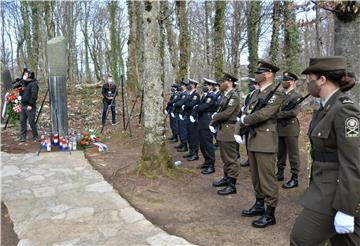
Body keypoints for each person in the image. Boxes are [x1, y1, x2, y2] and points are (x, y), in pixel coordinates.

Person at [290, 56, 360, 245]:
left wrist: (346, 209)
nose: (308, 84)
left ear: (322, 79)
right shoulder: (324, 108)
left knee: (300, 239)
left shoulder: (344, 110)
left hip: (335, 192)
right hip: (323, 186)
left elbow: (354, 163)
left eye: (310, 79)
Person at [235, 60, 282, 228]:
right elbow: (247, 109)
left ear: (269, 74)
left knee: (267, 177)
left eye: (261, 71)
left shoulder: (277, 93)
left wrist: (245, 120)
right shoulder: (255, 93)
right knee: (255, 176)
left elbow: (264, 113)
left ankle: (270, 214)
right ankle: (258, 204)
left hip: (265, 140)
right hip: (253, 139)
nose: (257, 74)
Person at [210, 72, 240, 195]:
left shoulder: (234, 96)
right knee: (224, 156)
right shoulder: (225, 95)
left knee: (231, 158)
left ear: (229, 82)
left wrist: (215, 116)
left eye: (223, 81)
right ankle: (226, 178)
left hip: (229, 129)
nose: (221, 84)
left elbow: (227, 113)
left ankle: (232, 185)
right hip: (223, 129)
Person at [275, 72, 301, 189]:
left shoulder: (296, 96)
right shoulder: (281, 95)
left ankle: (294, 178)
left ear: (291, 81)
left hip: (290, 128)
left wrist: (279, 114)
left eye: (285, 80)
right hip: (279, 127)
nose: (283, 82)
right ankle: (280, 173)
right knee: (280, 152)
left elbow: (294, 112)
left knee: (293, 154)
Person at [192, 78, 217, 174]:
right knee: (202, 144)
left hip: (207, 121)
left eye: (207, 85)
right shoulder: (205, 95)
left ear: (211, 86)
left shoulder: (211, 96)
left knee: (208, 144)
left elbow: (203, 107)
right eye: (205, 85)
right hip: (202, 121)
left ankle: (211, 165)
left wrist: (196, 108)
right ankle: (206, 162)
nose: (205, 87)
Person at [239, 77, 259, 167]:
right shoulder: (248, 95)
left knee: (255, 142)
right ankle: (249, 159)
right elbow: (245, 106)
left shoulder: (258, 95)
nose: (249, 86)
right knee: (247, 140)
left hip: (253, 121)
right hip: (246, 120)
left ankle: (255, 162)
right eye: (249, 85)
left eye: (251, 84)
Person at [182, 79, 200, 161]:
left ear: (194, 85)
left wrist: (185, 106)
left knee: (194, 136)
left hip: (193, 117)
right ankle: (191, 151)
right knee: (189, 135)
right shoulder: (190, 94)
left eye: (190, 84)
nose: (189, 85)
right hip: (188, 116)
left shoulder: (196, 95)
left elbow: (191, 104)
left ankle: (195, 154)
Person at [19, 69, 39, 142]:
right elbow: (22, 94)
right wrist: (20, 90)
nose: (24, 75)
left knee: (31, 121)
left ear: (30, 75)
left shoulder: (34, 84)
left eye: (26, 74)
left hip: (30, 106)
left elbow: (34, 95)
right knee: (22, 121)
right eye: (24, 74)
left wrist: (30, 104)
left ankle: (36, 136)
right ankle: (23, 136)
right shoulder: (24, 84)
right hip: (23, 105)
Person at [173, 79, 189, 152]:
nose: (181, 86)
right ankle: (182, 143)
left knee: (183, 130)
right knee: (180, 129)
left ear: (185, 86)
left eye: (182, 85)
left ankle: (185, 145)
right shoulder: (182, 93)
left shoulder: (186, 94)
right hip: (180, 113)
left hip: (184, 114)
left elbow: (180, 102)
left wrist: (175, 104)